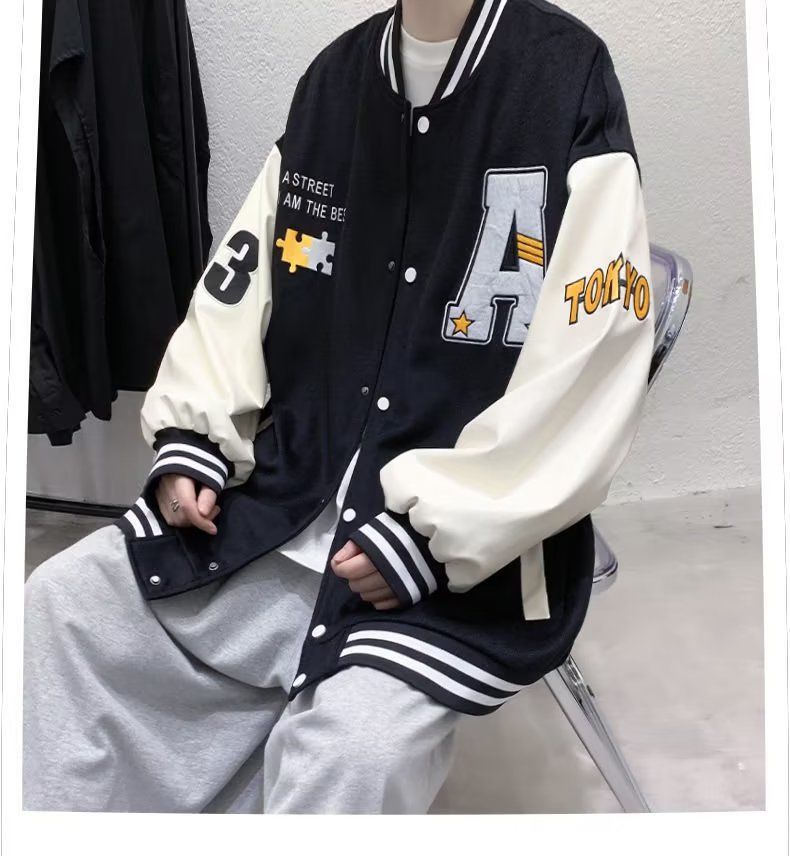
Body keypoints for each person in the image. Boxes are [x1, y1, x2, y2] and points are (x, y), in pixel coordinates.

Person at [23, 0, 654, 814]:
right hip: (284, 494)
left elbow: (596, 350)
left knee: (353, 753)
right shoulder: (334, 80)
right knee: (60, 606)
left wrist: (441, 530)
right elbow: (242, 279)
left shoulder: (566, 77)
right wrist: (193, 431)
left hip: (452, 565)